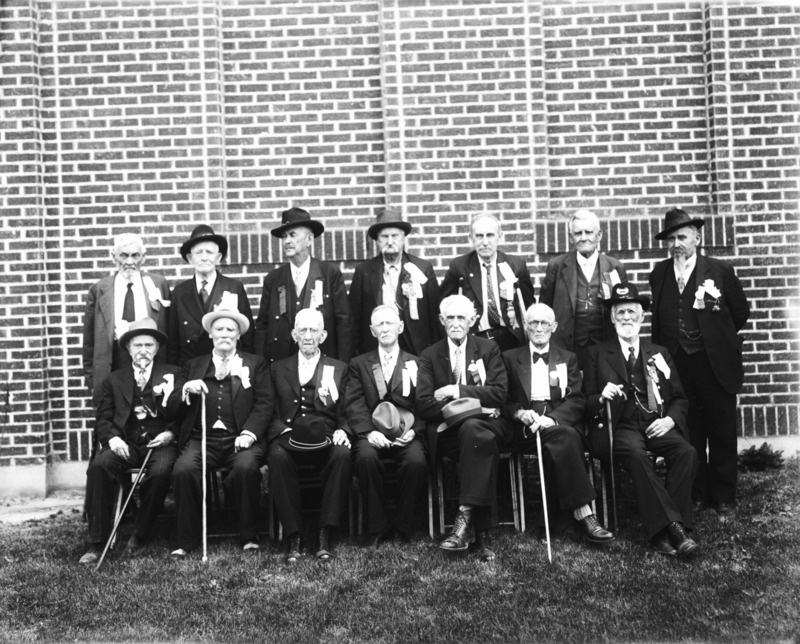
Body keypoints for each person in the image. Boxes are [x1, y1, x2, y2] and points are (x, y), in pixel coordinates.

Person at [584, 283, 699, 559]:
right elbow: (584, 401)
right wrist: (601, 396)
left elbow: (680, 397)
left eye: (632, 312)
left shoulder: (659, 352)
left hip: (656, 423)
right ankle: (673, 530)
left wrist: (670, 420)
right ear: (612, 318)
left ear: (642, 317)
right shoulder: (596, 353)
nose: (626, 318)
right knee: (637, 456)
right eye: (620, 312)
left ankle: (668, 528)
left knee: (686, 452)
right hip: (620, 426)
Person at [648, 209, 750, 514]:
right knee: (689, 429)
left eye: (682, 237)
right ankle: (695, 489)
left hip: (713, 363)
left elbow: (740, 313)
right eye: (671, 239)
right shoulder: (659, 273)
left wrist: (717, 340)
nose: (676, 244)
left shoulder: (720, 271)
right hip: (678, 365)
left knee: (721, 428)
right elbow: (658, 322)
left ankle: (723, 496)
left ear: (697, 238)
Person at [502, 303, 614, 545]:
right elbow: (504, 399)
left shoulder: (568, 358)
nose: (539, 328)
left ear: (553, 327)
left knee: (559, 440)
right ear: (525, 326)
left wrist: (553, 419)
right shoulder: (509, 358)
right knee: (565, 438)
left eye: (544, 323)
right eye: (533, 323)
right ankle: (584, 513)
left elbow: (577, 399)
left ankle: (548, 524)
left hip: (558, 419)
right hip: (527, 427)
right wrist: (520, 413)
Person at [416, 294, 511, 561]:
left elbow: (499, 393)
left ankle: (464, 519)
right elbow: (424, 404)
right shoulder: (429, 356)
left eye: (461, 317)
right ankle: (483, 534)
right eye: (450, 317)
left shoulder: (489, 349)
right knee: (476, 435)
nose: (456, 323)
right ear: (441, 320)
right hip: (449, 432)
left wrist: (454, 391)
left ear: (472, 320)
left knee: (475, 432)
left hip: (490, 426)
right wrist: (477, 407)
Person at [170, 306, 272, 556]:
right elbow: (171, 407)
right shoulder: (193, 365)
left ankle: (249, 535)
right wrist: (185, 389)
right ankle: (186, 539)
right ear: (210, 334)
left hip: (240, 438)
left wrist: (249, 433)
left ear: (238, 335)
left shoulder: (255, 363)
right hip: (201, 439)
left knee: (246, 468)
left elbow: (265, 402)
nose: (224, 334)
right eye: (219, 329)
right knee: (183, 470)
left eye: (230, 329)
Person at [79, 318, 180, 564]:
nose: (143, 350)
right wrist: (112, 439)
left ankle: (141, 532)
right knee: (100, 466)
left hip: (161, 443)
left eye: (148, 345)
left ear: (157, 347)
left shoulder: (174, 374)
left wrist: (171, 433)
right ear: (128, 348)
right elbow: (103, 418)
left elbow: (185, 414)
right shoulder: (114, 379)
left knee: (161, 472)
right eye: (137, 345)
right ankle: (97, 542)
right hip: (127, 443)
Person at [266, 308, 351, 562]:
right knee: (277, 457)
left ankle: (326, 532)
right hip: (289, 436)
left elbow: (350, 407)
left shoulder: (339, 368)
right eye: (302, 330)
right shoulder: (277, 369)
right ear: (294, 335)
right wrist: (281, 430)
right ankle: (294, 535)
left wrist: (343, 430)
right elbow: (267, 409)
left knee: (342, 454)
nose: (307, 336)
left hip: (326, 436)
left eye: (314, 330)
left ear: (323, 336)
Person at [345, 304, 428, 545]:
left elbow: (424, 403)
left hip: (406, 433)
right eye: (379, 324)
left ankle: (402, 525)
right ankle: (377, 525)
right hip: (372, 433)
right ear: (372, 331)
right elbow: (354, 402)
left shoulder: (417, 363)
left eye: (389, 323)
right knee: (365, 459)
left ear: (400, 327)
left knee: (416, 462)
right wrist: (368, 433)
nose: (385, 328)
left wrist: (414, 431)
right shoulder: (359, 364)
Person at [254, 207, 353, 364]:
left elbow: (344, 324)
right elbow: (262, 327)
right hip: (283, 365)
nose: (287, 241)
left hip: (322, 363)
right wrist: (261, 368)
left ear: (309, 240)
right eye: (284, 236)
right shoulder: (273, 279)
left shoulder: (329, 274)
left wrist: (342, 366)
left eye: (293, 235)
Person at [82, 233, 170, 407]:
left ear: (143, 257)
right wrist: (92, 378)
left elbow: (168, 330)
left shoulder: (158, 284)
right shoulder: (99, 289)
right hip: (114, 363)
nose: (129, 261)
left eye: (135, 255)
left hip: (150, 363)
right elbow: (89, 340)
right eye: (123, 255)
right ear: (113, 256)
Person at [539, 209, 628, 371]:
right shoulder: (556, 266)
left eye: (588, 232)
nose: (583, 238)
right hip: (568, 348)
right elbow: (544, 309)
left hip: (604, 346)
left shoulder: (614, 267)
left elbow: (624, 309)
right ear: (571, 237)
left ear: (599, 235)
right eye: (578, 233)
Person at [349, 208, 442, 356]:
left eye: (395, 236)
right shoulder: (363, 272)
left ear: (403, 238)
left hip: (416, 347)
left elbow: (434, 314)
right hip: (377, 347)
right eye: (384, 237)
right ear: (377, 241)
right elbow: (354, 319)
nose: (390, 242)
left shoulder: (423, 268)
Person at [439, 214, 535, 352]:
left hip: (510, 338)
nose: (485, 242)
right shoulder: (459, 267)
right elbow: (443, 306)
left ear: (499, 236)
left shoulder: (516, 266)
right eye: (479, 236)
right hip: (476, 339)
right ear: (471, 238)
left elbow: (528, 305)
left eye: (490, 235)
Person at [168, 224, 254, 367]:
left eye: (209, 252)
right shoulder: (180, 291)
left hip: (227, 367)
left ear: (218, 257)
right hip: (191, 369)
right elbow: (173, 342)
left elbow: (247, 337)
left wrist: (245, 369)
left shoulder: (234, 287)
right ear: (190, 258)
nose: (204, 258)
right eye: (198, 253)